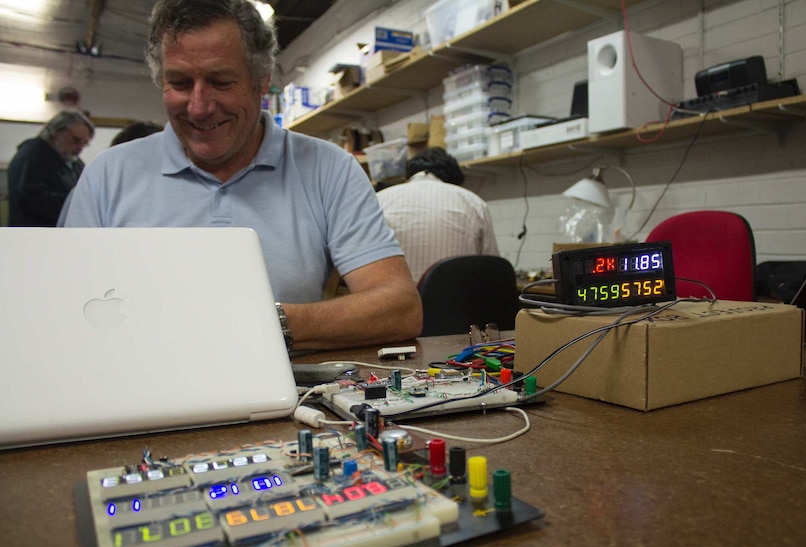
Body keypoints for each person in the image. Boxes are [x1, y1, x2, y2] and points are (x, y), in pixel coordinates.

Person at [62, 0, 421, 351]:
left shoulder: (328, 168)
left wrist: (267, 324)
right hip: (135, 386)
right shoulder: (107, 176)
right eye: (180, 83)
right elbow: (58, 308)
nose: (199, 107)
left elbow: (399, 307)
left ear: (261, 81)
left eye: (220, 81)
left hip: (279, 396)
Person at [375, 147, 501, 283]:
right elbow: (492, 270)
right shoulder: (474, 203)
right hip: (457, 301)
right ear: (453, 177)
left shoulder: (378, 200)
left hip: (392, 302)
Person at [7, 110, 94, 226]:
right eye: (76, 140)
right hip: (34, 232)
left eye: (85, 143)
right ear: (56, 132)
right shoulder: (33, 154)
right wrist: (76, 203)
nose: (80, 148)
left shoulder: (73, 161)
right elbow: (31, 198)